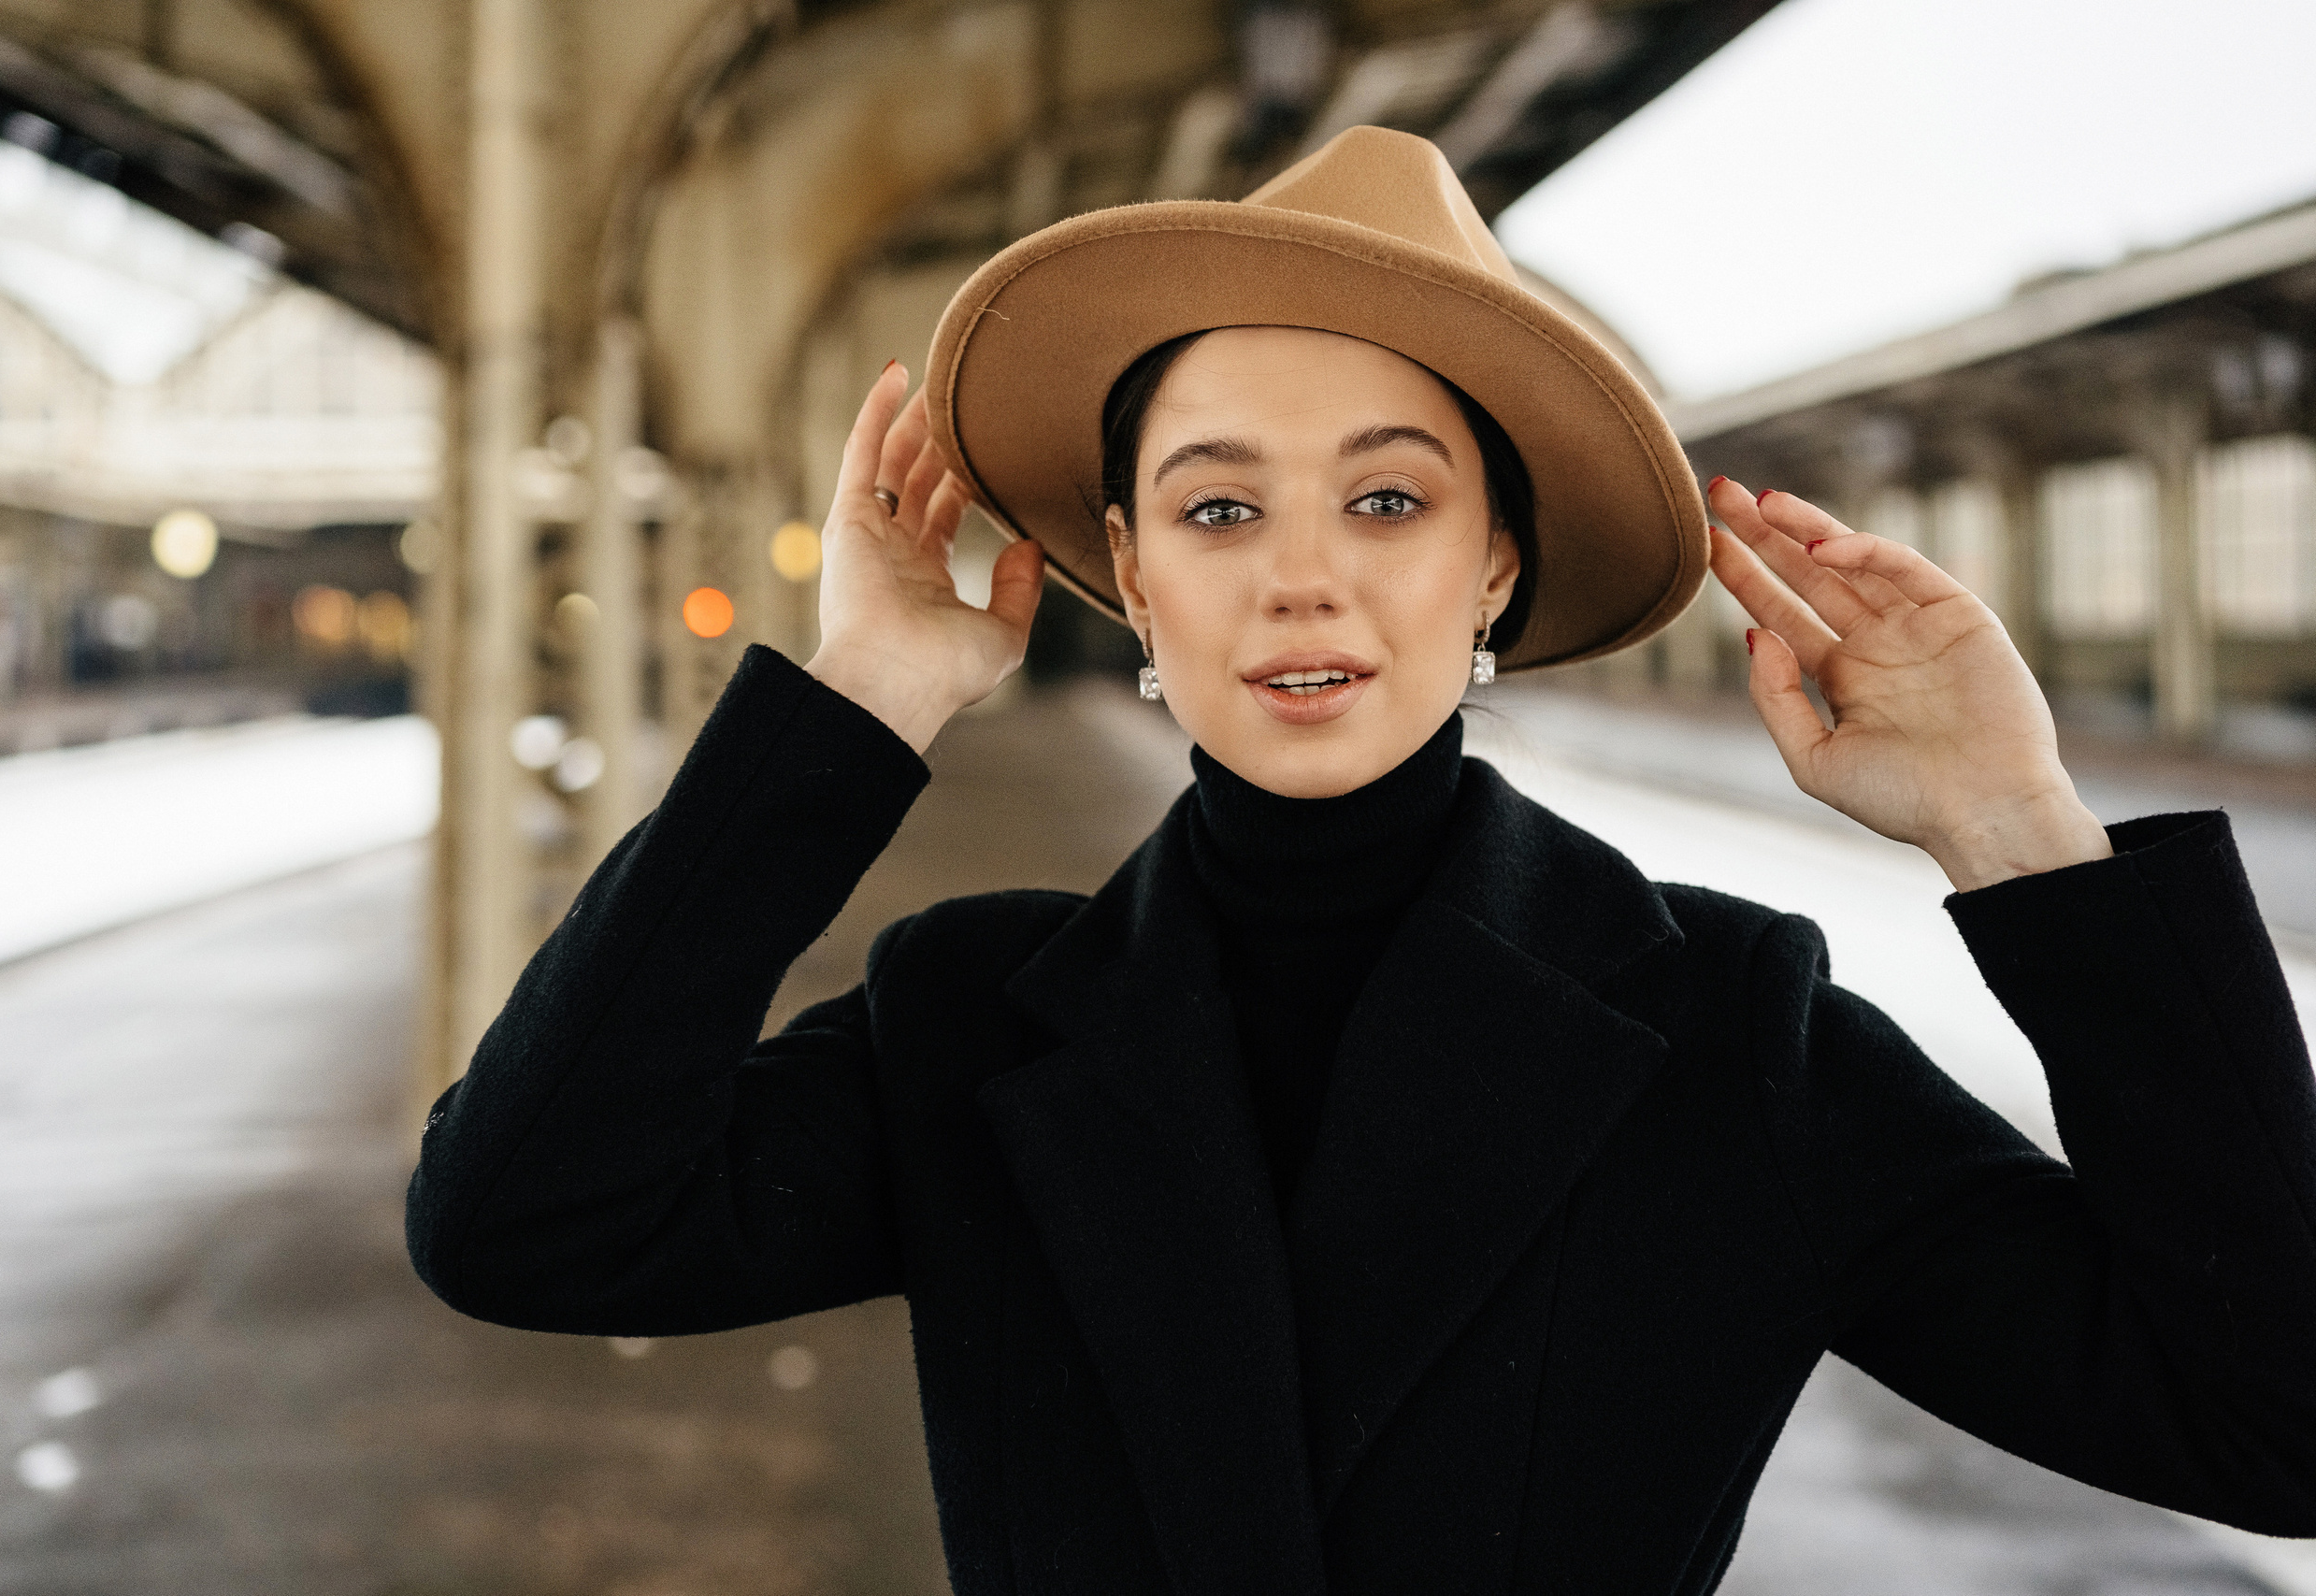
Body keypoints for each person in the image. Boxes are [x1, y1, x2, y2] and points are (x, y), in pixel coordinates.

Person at [406, 128, 2316, 1593]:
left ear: (1493, 565)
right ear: (1128, 573)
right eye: (1216, 508)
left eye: (1389, 498)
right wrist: (857, 704)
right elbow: (523, 1221)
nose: (1301, 575)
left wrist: (2014, 829)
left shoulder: (1734, 1035)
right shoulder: (971, 1021)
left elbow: (2274, 1425)